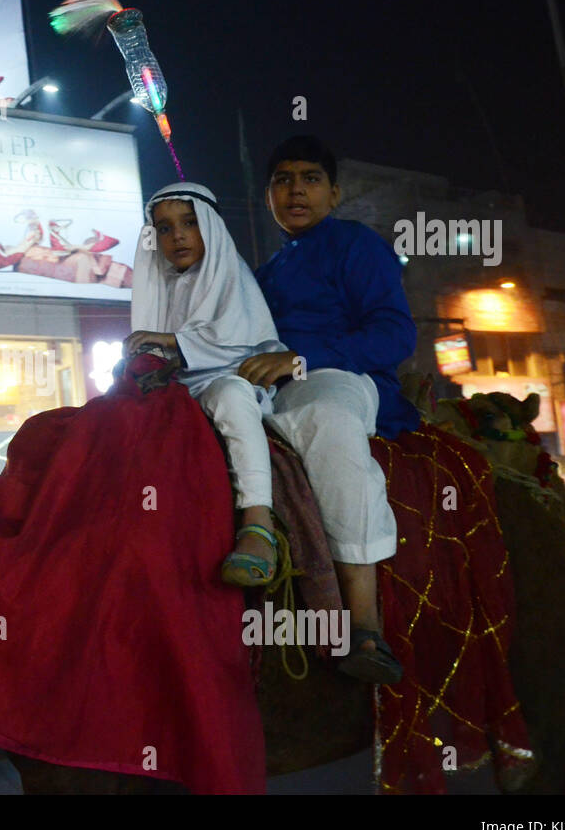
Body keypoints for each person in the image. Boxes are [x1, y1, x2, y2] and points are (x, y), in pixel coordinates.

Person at [239, 135, 420, 685]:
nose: (295, 190)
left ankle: (364, 626)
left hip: (341, 379)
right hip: (269, 388)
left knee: (328, 422)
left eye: (310, 179)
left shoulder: (356, 246)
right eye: (283, 180)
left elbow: (395, 334)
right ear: (268, 195)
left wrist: (303, 358)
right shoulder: (264, 273)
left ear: (334, 193)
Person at [124, 182, 287, 585]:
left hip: (230, 378)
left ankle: (257, 523)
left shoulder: (230, 273)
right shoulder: (161, 283)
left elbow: (238, 340)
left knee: (231, 397)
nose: (177, 235)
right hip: (179, 387)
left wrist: (171, 341)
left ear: (210, 227)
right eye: (164, 228)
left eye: (190, 223)